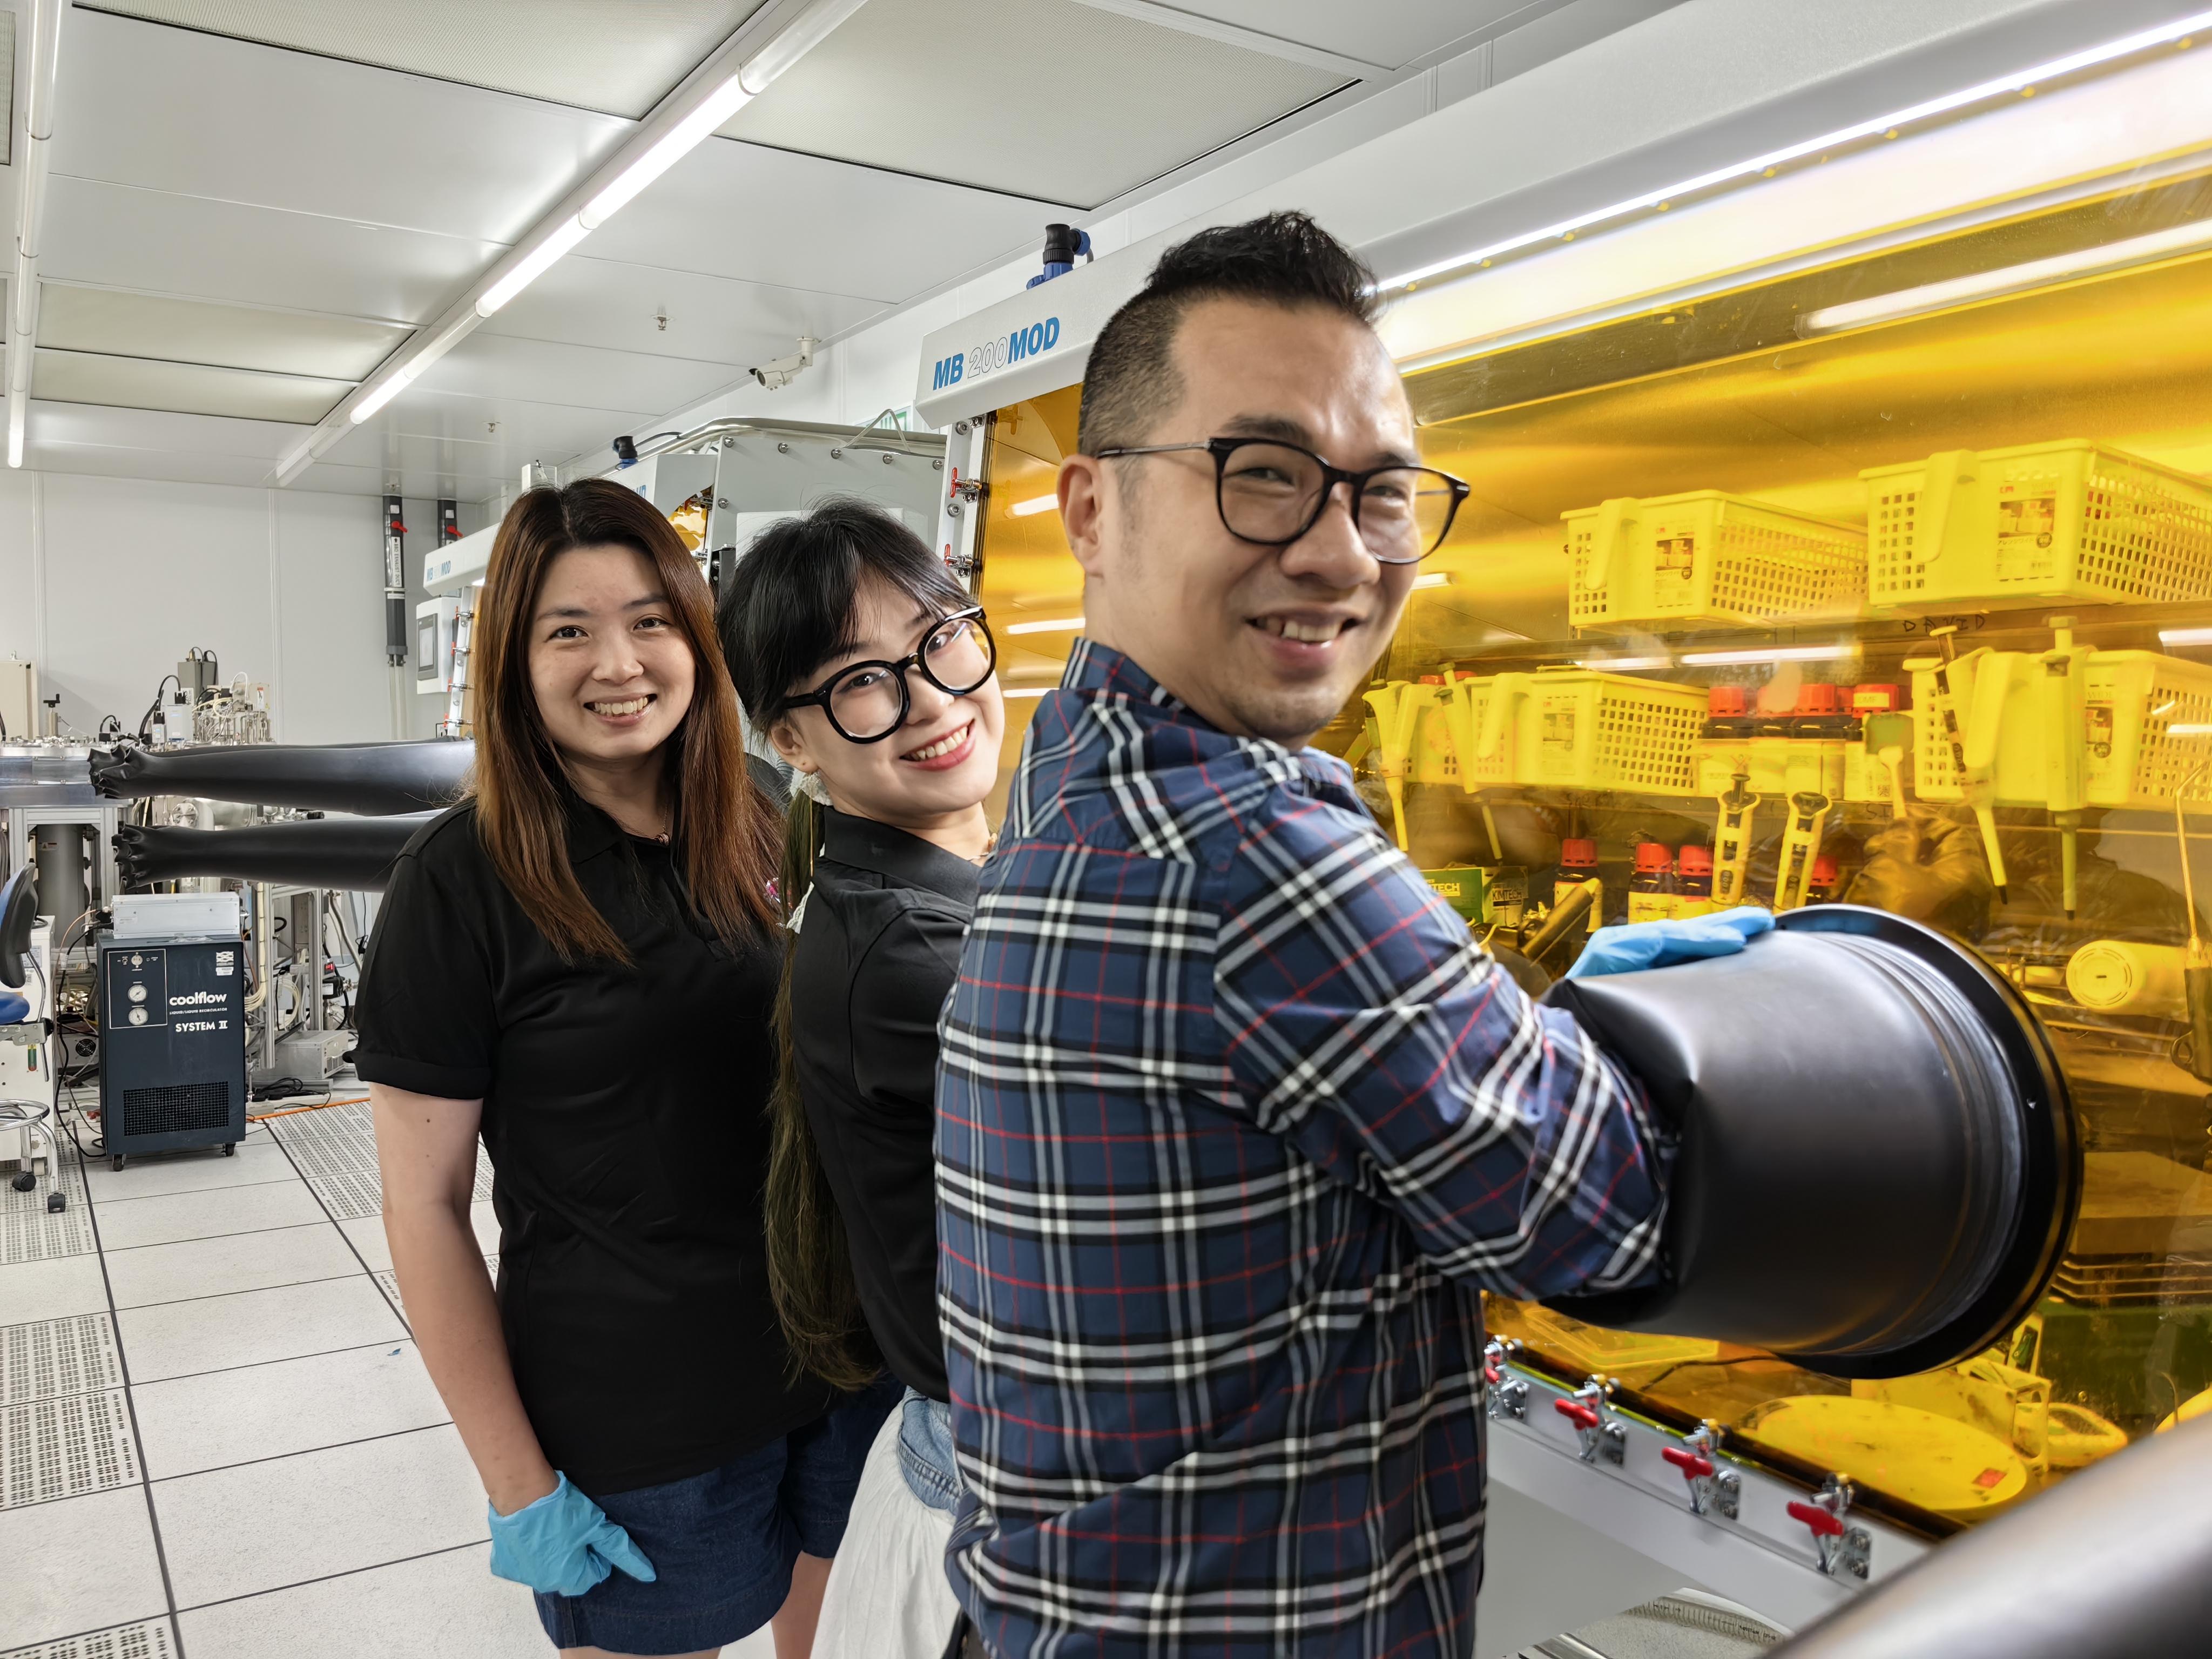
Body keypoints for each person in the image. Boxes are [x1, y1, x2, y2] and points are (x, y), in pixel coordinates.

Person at [933, 211, 1770, 1657]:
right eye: (1262, 477)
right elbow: (1601, 1213)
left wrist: (1512, 1024)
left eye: (1381, 496)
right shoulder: (1253, 852)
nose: (1336, 554)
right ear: (1088, 509)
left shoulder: (1068, 775)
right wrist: (1674, 1038)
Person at [354, 479, 895, 1659]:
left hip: (840, 1366)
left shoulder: (759, 811)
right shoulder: (460, 883)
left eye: (652, 619)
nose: (621, 662)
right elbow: (426, 1207)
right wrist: (516, 1482)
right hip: (643, 1427)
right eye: (569, 631)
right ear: (512, 658)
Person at [718, 500, 1005, 1659]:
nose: (935, 699)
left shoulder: (891, 890)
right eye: (863, 683)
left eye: (941, 640)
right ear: (794, 741)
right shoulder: (916, 958)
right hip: (1000, 1491)